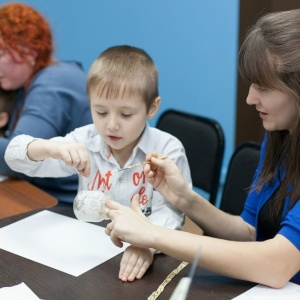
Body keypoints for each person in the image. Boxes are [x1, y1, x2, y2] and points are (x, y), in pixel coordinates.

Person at [103, 9, 300, 288]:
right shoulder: (281, 134)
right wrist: (185, 199)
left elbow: (276, 265)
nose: (249, 98)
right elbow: (249, 232)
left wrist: (151, 234)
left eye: (263, 87)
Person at [4, 45, 192, 281]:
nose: (111, 125)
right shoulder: (86, 139)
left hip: (144, 255)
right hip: (89, 252)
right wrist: (49, 147)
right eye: (101, 112)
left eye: (125, 115)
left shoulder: (167, 150)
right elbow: (14, 158)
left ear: (152, 107)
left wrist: (148, 243)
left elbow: (173, 214)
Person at [0, 3, 92, 203]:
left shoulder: (52, 84)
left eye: (0, 54)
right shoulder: (21, 82)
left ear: (30, 53)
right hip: (40, 194)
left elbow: (15, 159)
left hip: (68, 205)